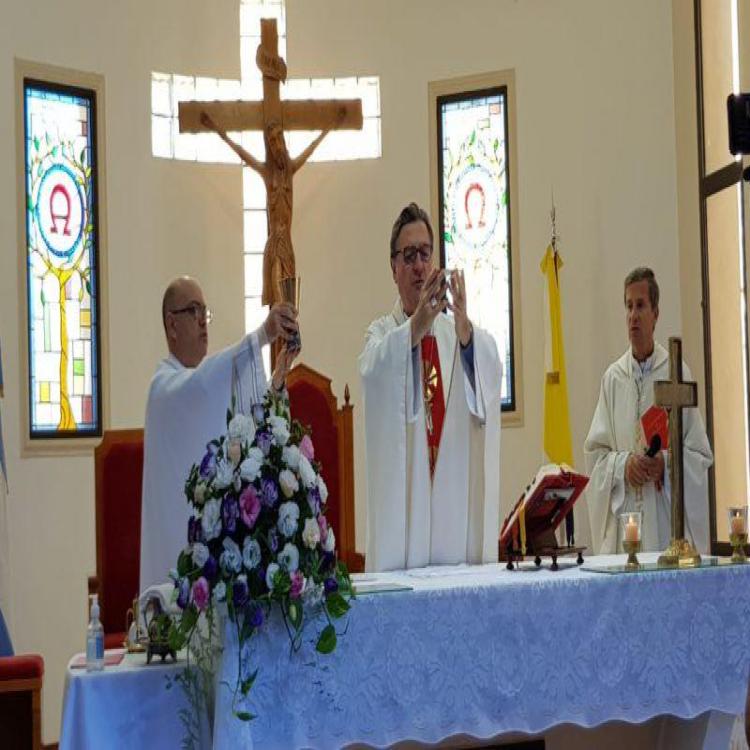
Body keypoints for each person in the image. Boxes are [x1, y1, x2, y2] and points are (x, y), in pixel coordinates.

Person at [359, 203, 503, 572]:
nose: (419, 265)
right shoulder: (382, 334)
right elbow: (372, 374)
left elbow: (487, 373)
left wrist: (466, 330)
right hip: (404, 525)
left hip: (449, 517)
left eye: (425, 253)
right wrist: (414, 330)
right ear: (393, 268)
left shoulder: (453, 331)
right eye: (409, 256)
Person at [139, 276, 299, 591]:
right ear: (172, 325)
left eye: (205, 312)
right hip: (177, 554)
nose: (203, 322)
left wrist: (278, 377)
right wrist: (264, 334)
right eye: (193, 311)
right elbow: (201, 384)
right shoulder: (164, 388)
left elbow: (243, 426)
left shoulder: (198, 385)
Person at [584, 267, 713, 554]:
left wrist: (665, 466)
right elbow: (595, 458)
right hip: (625, 529)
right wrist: (623, 466)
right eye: (628, 306)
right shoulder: (613, 378)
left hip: (665, 528)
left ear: (655, 313)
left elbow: (699, 457)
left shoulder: (675, 373)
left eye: (641, 305)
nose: (633, 315)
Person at [200, 112, 335, 307]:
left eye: (278, 137)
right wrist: (215, 128)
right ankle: (276, 338)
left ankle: (284, 338)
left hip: (286, 247)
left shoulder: (291, 169)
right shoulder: (267, 173)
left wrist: (333, 123)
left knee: (289, 305)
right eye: (271, 140)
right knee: (277, 301)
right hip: (273, 246)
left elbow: (312, 147)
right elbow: (240, 152)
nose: (275, 144)